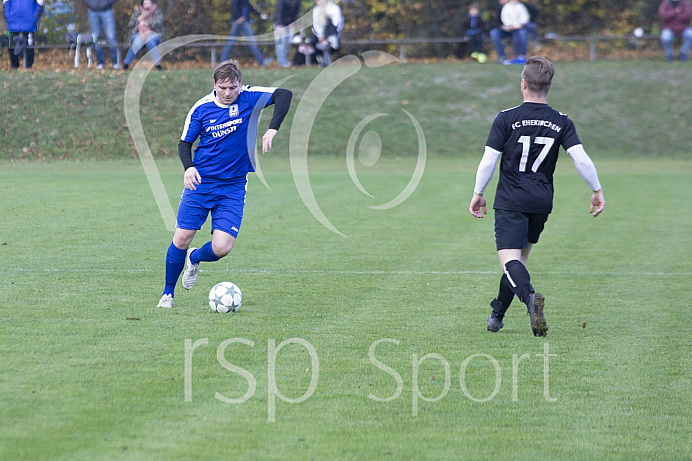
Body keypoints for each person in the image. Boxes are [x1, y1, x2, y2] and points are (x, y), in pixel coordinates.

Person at [469, 56, 605, 336]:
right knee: (517, 262)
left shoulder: (506, 118)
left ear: (523, 84)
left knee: (510, 262)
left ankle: (531, 298)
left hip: (510, 200)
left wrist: (478, 192)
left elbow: (488, 160)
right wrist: (596, 190)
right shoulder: (561, 121)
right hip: (541, 201)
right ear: (549, 85)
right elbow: (580, 158)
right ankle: (497, 315)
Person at [157, 59, 292, 309]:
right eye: (223, 88)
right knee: (182, 237)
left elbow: (284, 94)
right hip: (202, 183)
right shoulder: (201, 108)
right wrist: (189, 168)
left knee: (222, 248)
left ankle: (195, 258)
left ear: (240, 84)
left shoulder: (249, 97)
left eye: (233, 87)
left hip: (233, 186)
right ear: (214, 85)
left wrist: (272, 129)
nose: (228, 93)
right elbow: (184, 144)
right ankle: (167, 294)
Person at [220, 0, 273, 66]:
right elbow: (233, 4)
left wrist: (259, 14)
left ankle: (222, 62)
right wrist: (238, 17)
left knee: (230, 43)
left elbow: (249, 7)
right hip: (241, 22)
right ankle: (261, 62)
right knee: (252, 42)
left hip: (242, 21)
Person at [123, 0, 165, 70]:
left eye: (149, 3)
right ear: (142, 5)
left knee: (150, 41)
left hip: (153, 33)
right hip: (139, 34)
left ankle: (158, 65)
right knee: (137, 42)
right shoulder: (138, 12)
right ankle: (126, 64)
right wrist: (140, 18)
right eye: (145, 3)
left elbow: (159, 23)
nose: (147, 5)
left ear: (152, 4)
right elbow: (130, 24)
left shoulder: (157, 12)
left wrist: (146, 24)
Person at [3, 0, 44, 69]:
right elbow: (5, 2)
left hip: (29, 21)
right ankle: (14, 66)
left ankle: (28, 66)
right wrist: (8, 16)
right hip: (13, 20)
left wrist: (34, 18)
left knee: (29, 44)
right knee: (11, 43)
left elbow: (40, 3)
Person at [490, 0, 529, 65]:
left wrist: (520, 25)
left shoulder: (521, 6)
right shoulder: (502, 8)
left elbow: (525, 17)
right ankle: (502, 56)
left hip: (519, 28)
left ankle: (521, 56)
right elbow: (498, 22)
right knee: (494, 33)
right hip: (506, 30)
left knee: (523, 33)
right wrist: (505, 26)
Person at [83, 0, 119, 69]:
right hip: (93, 11)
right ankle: (100, 63)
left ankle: (115, 63)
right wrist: (90, 3)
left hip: (107, 11)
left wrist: (107, 3)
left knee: (111, 37)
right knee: (97, 38)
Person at [310, 0, 343, 67]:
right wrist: (320, 36)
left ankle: (328, 58)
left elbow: (337, 25)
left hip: (332, 34)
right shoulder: (316, 10)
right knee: (312, 41)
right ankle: (321, 58)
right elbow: (315, 25)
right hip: (320, 36)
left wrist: (327, 38)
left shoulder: (335, 8)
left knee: (331, 42)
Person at [274, 0, 300, 68]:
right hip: (280, 24)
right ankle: (282, 63)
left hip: (289, 24)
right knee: (281, 44)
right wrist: (279, 25)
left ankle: (284, 61)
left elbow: (296, 12)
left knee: (287, 43)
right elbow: (278, 12)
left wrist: (292, 22)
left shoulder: (297, 1)